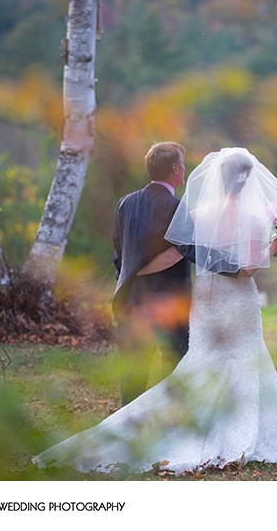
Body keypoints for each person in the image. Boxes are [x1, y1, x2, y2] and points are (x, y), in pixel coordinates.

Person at [33, 147, 277, 475]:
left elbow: (167, 251)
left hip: (206, 298)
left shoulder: (194, 214)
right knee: (242, 359)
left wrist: (130, 272)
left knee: (201, 363)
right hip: (237, 296)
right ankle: (230, 431)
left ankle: (164, 426)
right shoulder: (255, 220)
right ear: (249, 180)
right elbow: (248, 268)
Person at [111, 141, 192, 406]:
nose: (185, 168)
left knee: (132, 379)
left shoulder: (124, 203)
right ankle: (169, 433)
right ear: (175, 169)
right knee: (174, 375)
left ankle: (127, 435)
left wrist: (132, 276)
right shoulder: (176, 207)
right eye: (182, 164)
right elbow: (187, 252)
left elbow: (118, 255)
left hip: (130, 301)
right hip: (168, 307)